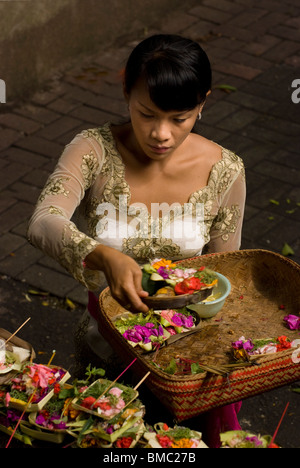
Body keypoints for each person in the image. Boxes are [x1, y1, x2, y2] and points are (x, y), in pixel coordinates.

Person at [27, 34, 246, 447]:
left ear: (203, 103)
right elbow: (43, 221)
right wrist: (102, 255)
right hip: (105, 347)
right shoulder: (92, 150)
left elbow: (224, 274)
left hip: (185, 360)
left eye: (180, 118)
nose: (161, 134)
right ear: (126, 89)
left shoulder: (225, 170)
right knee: (114, 446)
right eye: (147, 114)